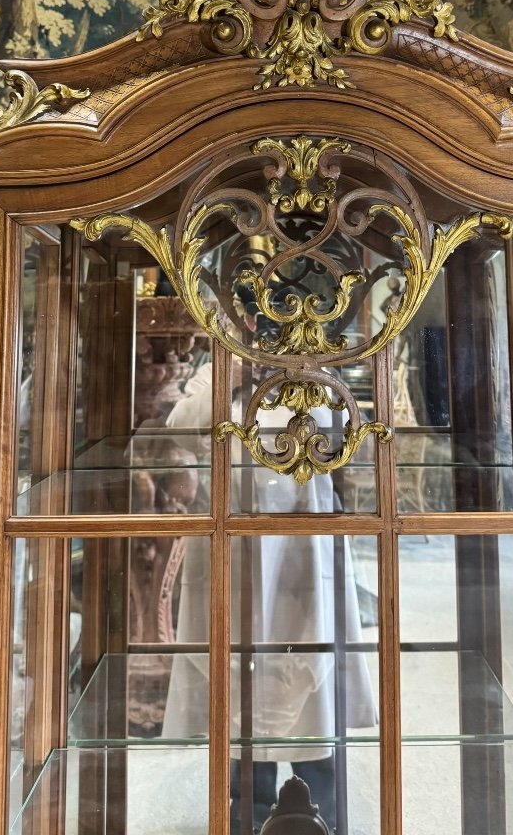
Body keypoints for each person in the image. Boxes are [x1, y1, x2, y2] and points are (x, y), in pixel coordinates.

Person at [160, 356, 376, 834]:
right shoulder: (216, 370)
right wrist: (232, 379)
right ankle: (246, 816)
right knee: (240, 698)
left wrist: (294, 380)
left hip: (301, 550)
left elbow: (339, 432)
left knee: (313, 692)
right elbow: (178, 427)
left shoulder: (315, 373)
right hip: (230, 549)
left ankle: (326, 816)